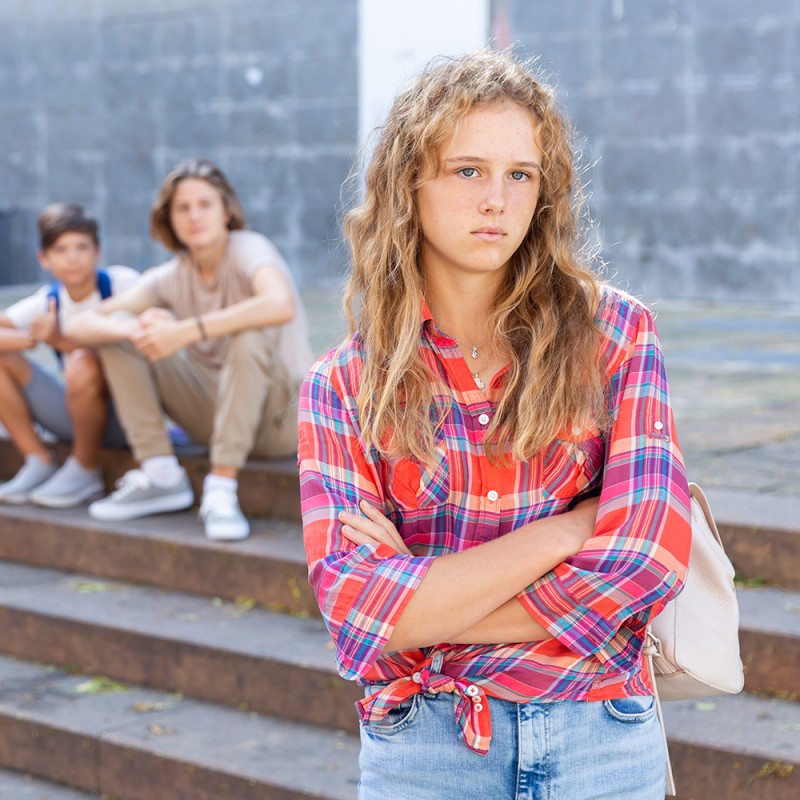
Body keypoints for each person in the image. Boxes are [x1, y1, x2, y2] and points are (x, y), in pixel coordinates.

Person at [298, 51, 692, 799]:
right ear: (407, 184)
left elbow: (644, 559)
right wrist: (570, 531)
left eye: (521, 175)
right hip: (425, 748)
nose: (497, 200)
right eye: (467, 170)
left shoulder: (614, 335)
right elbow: (354, 609)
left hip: (599, 735)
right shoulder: (342, 385)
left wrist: (422, 611)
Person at [67, 158, 312, 541]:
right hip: (213, 415)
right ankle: (161, 474)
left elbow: (279, 303)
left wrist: (186, 331)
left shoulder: (249, 248)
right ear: (169, 218)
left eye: (205, 204)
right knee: (115, 333)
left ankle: (221, 489)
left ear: (226, 211)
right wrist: (139, 328)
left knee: (248, 336)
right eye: (182, 208)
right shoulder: (171, 275)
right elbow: (80, 323)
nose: (194, 216)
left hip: (281, 420)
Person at [0, 203, 137, 507]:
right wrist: (28, 340)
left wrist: (58, 340)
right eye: (61, 249)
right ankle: (37, 460)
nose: (73, 257)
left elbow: (137, 344)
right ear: (44, 259)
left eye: (81, 247)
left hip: (129, 417)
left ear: (97, 251)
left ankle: (86, 469)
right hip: (75, 416)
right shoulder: (48, 301)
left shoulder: (121, 285)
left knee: (83, 361)